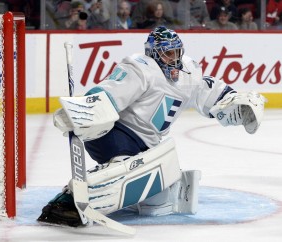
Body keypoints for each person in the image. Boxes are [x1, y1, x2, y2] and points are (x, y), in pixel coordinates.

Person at [37, 26, 265, 227]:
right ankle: (68, 200)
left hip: (148, 146)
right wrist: (85, 110)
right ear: (154, 54)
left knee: (159, 203)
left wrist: (234, 102)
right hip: (115, 134)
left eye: (176, 52)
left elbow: (209, 92)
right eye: (167, 53)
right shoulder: (140, 67)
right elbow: (112, 90)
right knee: (121, 171)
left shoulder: (189, 72)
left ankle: (123, 197)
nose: (173, 58)